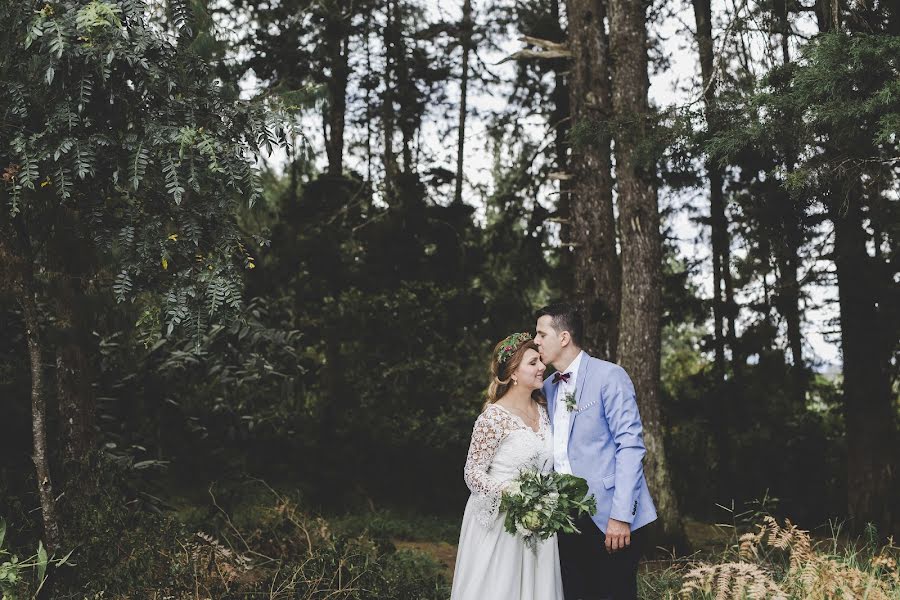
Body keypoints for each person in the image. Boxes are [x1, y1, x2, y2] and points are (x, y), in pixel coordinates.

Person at [535, 303, 657, 600]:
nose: (535, 341)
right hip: (565, 518)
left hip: (610, 517)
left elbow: (630, 446)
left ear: (563, 337)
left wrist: (620, 516)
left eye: (541, 334)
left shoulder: (610, 376)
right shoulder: (548, 386)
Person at [449, 332, 564, 600]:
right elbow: (472, 472)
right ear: (513, 372)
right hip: (500, 524)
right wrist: (510, 494)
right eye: (533, 363)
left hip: (540, 523)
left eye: (540, 361)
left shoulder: (544, 410)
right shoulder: (493, 418)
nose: (541, 367)